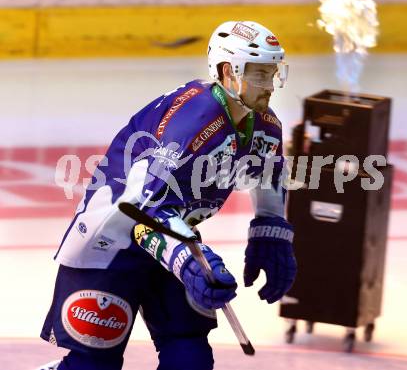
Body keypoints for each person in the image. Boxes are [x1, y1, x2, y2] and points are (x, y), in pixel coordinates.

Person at [36, 21, 297, 370]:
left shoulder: (264, 124)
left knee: (189, 356)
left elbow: (267, 174)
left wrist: (270, 231)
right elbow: (141, 212)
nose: (269, 85)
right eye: (259, 74)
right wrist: (189, 262)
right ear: (227, 71)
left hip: (174, 238)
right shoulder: (193, 120)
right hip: (112, 245)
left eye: (272, 73)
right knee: (92, 364)